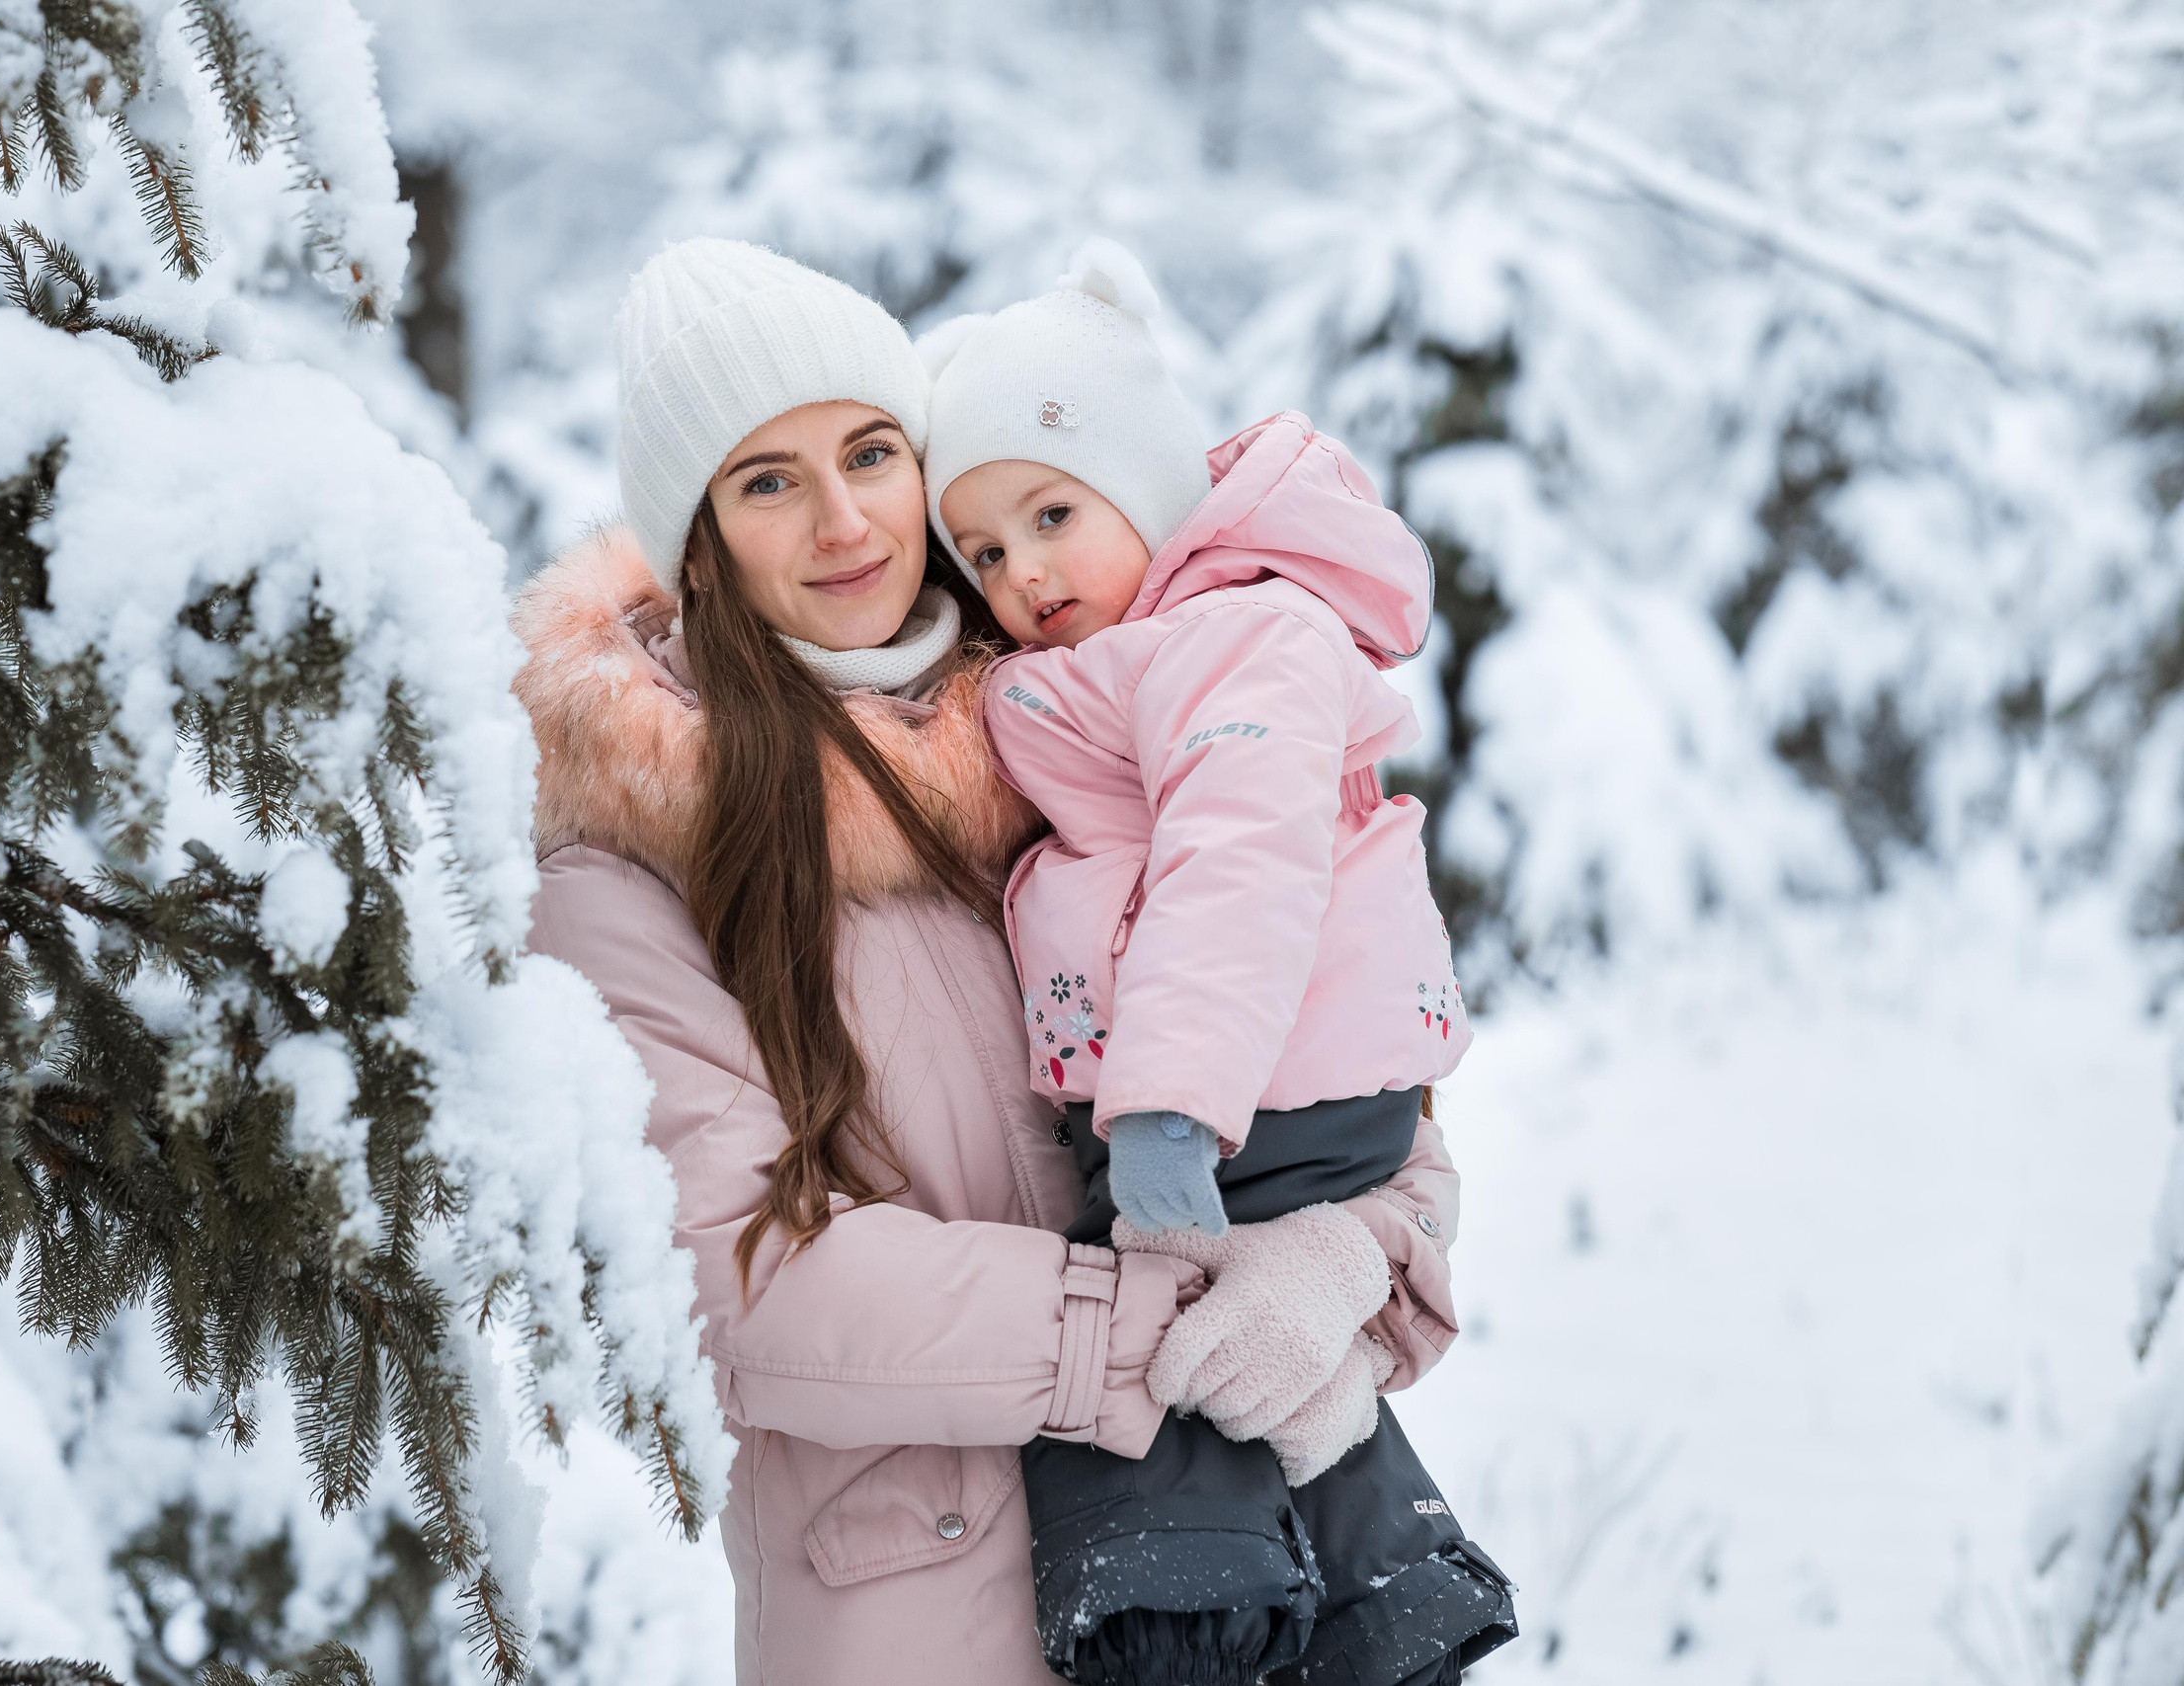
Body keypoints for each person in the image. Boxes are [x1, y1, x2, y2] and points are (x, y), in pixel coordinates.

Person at [514, 236, 1465, 1686]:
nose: (845, 521)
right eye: (768, 481)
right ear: (697, 540)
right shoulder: (629, 862)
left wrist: (1344, 1258)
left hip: (1228, 1600)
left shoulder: (1060, 726)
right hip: (924, 1630)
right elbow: (749, 1284)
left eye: (871, 453)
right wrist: (1167, 1321)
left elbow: (1348, 1057)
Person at [923, 241, 1515, 1684]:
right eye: (984, 552)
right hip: (1261, 1092)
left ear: (1147, 489)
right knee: (1244, 1366)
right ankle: (1388, 1601)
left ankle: (1183, 1626)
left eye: (1053, 514)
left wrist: (1168, 1110)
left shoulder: (1236, 633)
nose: (1023, 573)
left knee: (1141, 1370)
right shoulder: (1155, 648)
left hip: (1252, 1100)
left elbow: (1237, 869)